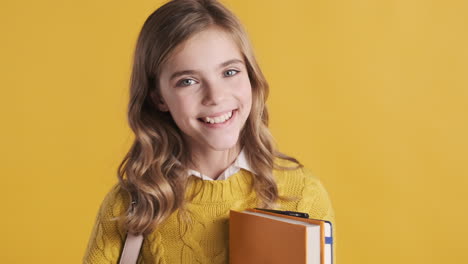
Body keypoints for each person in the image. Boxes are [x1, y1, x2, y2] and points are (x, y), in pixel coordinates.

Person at [83, 0, 335, 263]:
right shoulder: (131, 204)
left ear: (250, 76)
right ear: (159, 98)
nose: (215, 97)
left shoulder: (303, 194)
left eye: (229, 72)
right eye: (188, 81)